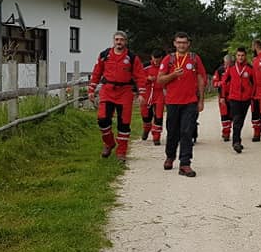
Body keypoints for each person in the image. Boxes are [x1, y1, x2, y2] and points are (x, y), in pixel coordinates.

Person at [87, 31, 147, 163]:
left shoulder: (132, 57)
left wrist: (142, 93)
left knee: (124, 124)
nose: (119, 42)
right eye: (117, 39)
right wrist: (91, 89)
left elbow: (140, 76)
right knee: (102, 120)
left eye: (122, 40)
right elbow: (97, 72)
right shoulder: (104, 55)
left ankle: (121, 153)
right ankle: (109, 143)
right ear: (113, 41)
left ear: (126, 42)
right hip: (107, 91)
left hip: (125, 92)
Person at [156, 32, 207, 177]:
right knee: (172, 132)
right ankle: (170, 156)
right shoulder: (168, 59)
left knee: (187, 132)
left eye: (184, 42)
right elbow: (160, 80)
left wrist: (201, 100)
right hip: (172, 101)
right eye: (179, 42)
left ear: (188, 43)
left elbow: (201, 79)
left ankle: (185, 163)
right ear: (174, 43)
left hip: (190, 101)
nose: (181, 45)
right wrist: (173, 75)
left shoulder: (194, 59)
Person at [219, 46, 257, 153]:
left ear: (245, 56)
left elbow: (254, 83)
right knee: (236, 119)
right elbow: (224, 82)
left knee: (241, 121)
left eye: (242, 55)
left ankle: (238, 140)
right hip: (234, 98)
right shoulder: (231, 68)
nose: (240, 57)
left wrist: (252, 95)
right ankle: (236, 142)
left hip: (246, 99)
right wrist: (222, 96)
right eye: (238, 55)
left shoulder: (249, 68)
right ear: (236, 56)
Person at [139, 48, 165, 146]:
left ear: (161, 58)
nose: (156, 62)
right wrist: (147, 79)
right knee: (146, 115)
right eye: (154, 60)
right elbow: (138, 78)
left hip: (159, 93)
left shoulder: (165, 66)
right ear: (151, 57)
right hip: (147, 92)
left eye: (158, 60)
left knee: (158, 115)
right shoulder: (145, 66)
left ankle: (156, 137)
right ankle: (146, 129)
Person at [211, 54, 234, 142]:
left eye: (230, 63)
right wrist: (221, 83)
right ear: (224, 62)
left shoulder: (235, 69)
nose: (228, 65)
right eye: (227, 63)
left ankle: (229, 129)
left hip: (233, 95)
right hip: (222, 95)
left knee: (231, 115)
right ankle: (226, 133)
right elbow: (215, 82)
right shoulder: (220, 70)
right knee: (224, 114)